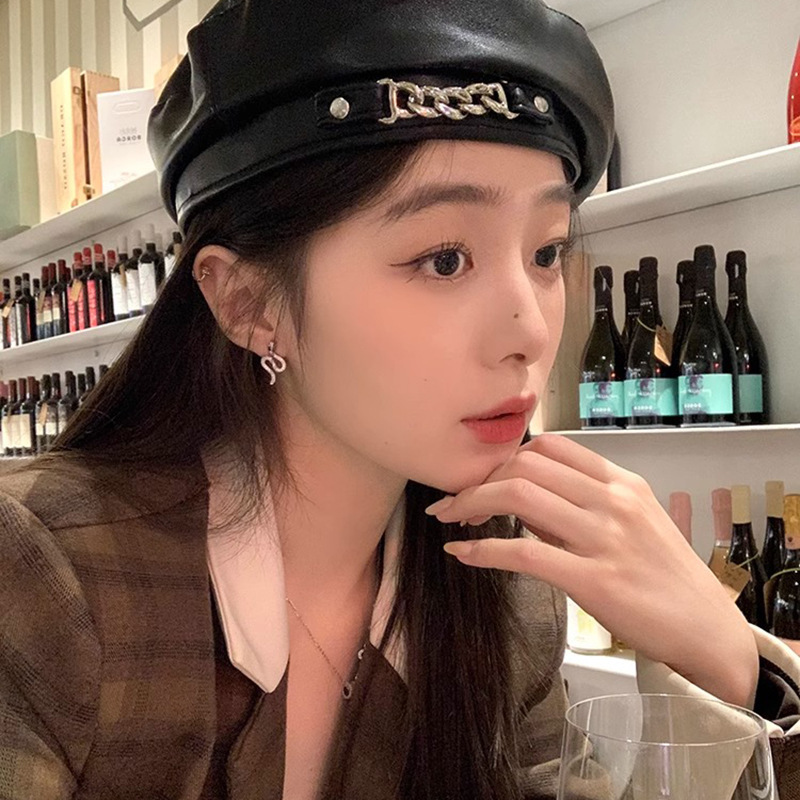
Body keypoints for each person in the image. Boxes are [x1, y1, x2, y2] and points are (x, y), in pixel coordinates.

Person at [2, 1, 800, 798]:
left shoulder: (502, 587)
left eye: (547, 252)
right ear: (249, 304)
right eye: (445, 259)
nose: (529, 331)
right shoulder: (49, 578)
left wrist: (731, 663)